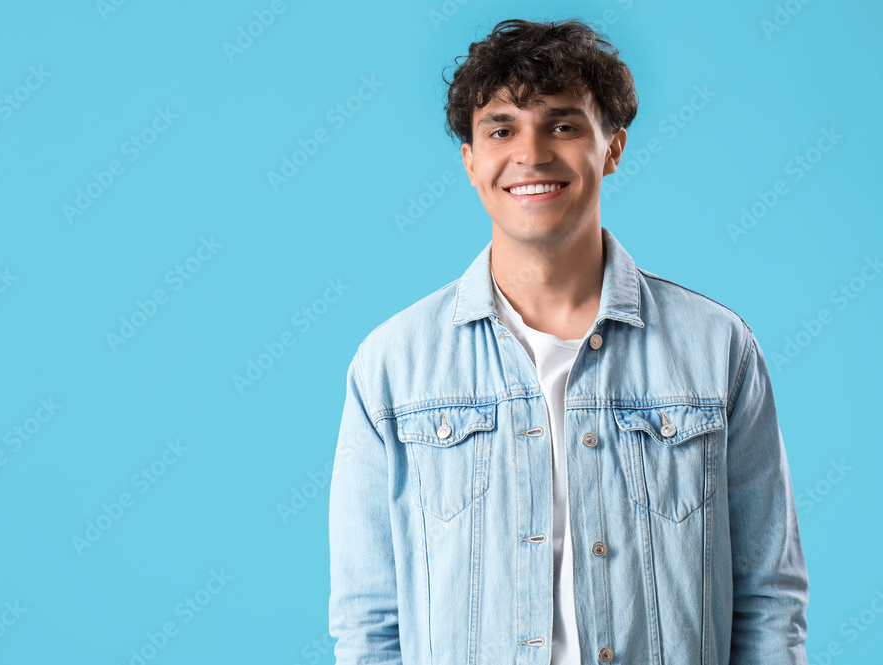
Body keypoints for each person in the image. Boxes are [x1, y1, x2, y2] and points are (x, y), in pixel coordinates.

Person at [328, 17, 809, 665]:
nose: (531, 152)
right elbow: (370, 620)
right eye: (501, 128)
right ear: (471, 160)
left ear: (611, 148)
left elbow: (768, 599)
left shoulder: (717, 348)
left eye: (562, 124)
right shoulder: (393, 364)